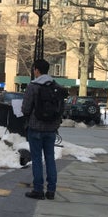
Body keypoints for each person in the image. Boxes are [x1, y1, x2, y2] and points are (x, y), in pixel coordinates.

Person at [21, 59, 62, 200]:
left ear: (36, 70)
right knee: (50, 158)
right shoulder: (56, 86)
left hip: (35, 127)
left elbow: (25, 108)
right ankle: (51, 190)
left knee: (37, 159)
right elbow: (61, 108)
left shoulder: (32, 86)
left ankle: (38, 189)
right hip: (51, 129)